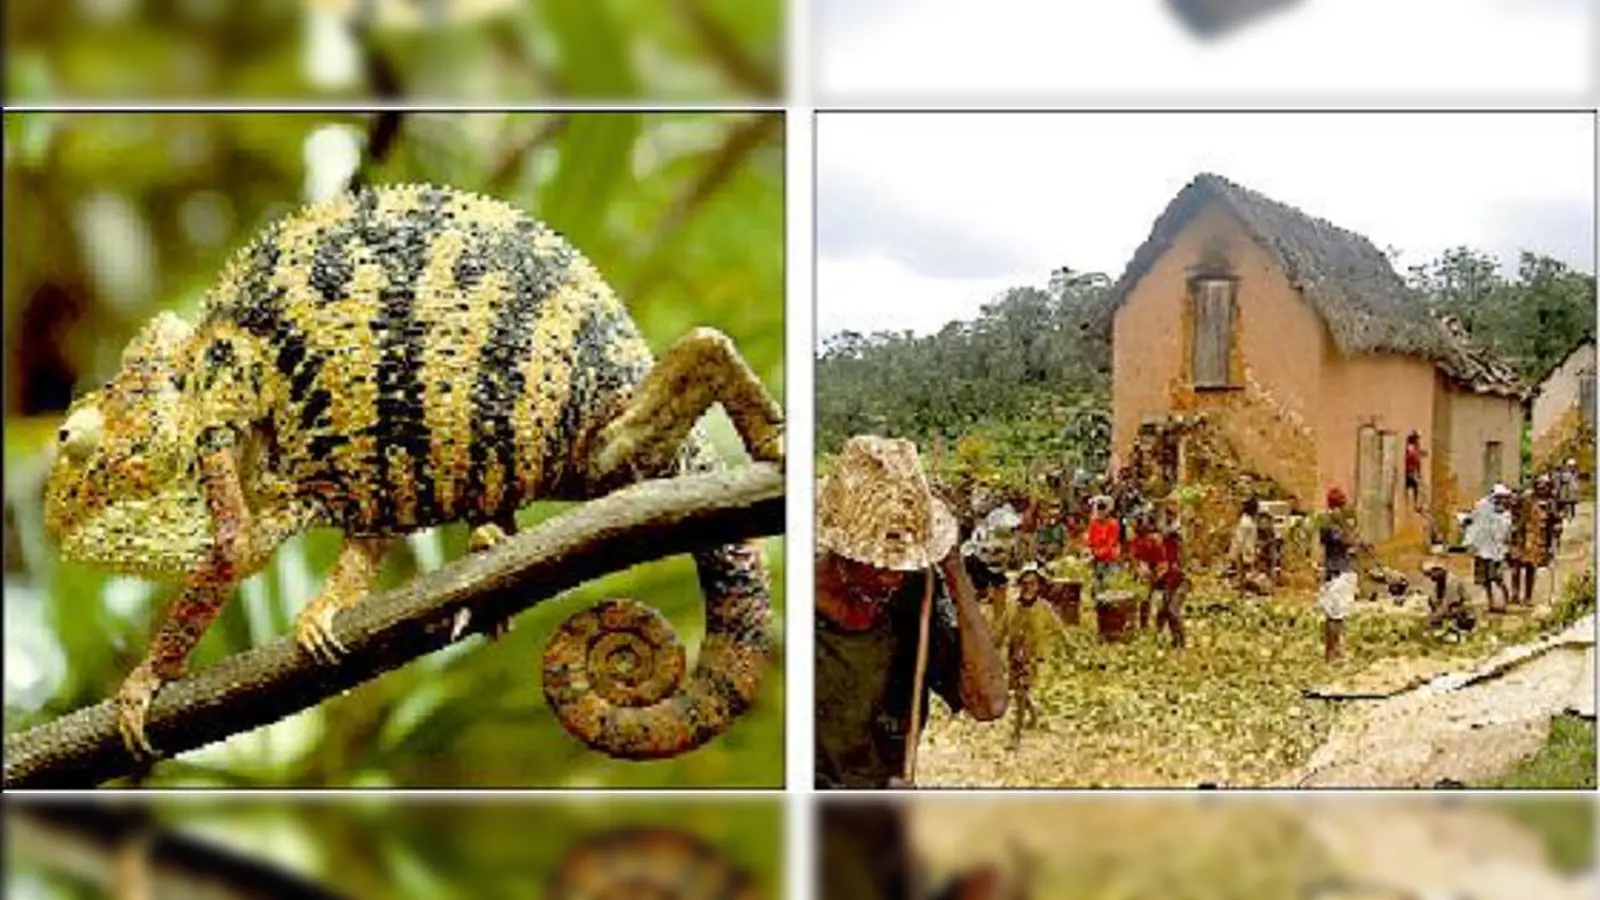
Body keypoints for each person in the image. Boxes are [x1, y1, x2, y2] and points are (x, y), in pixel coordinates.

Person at [816, 436, 1008, 789]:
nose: (891, 576)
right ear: (841, 550)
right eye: (876, 563)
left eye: (903, 562)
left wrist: (954, 570)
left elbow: (989, 703)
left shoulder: (915, 594)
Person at [996, 563, 1069, 751]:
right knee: (1018, 691)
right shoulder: (1012, 606)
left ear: (1038, 586)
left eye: (1032, 583)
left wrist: (1070, 648)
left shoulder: (1044, 608)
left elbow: (1060, 630)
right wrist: (992, 650)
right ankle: (1034, 715)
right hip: (1014, 656)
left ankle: (1016, 735)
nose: (1028, 587)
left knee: (1020, 694)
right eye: (1025, 583)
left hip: (1032, 657)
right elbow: (1001, 631)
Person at [1132, 505, 1188, 649]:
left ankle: (1180, 643)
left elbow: (1172, 564)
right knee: (1159, 609)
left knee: (1171, 611)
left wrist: (1156, 576)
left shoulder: (1170, 539)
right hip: (1164, 576)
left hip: (1175, 578)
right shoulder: (1152, 540)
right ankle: (1159, 636)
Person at [1317, 487, 1362, 663]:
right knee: (1335, 615)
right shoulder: (1331, 525)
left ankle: (1334, 651)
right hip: (1338, 572)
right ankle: (1333, 653)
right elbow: (1348, 541)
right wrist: (1350, 530)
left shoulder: (1331, 524)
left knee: (1335, 615)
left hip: (1336, 571)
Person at [1465, 484, 1513, 613]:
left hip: (1496, 551)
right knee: (1485, 580)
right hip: (1482, 550)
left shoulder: (1505, 515)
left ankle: (1504, 601)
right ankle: (1491, 603)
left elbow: (1505, 534)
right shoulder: (1482, 507)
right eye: (1500, 497)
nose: (1502, 500)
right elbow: (1473, 522)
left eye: (1504, 498)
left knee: (1497, 578)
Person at [1420, 558, 1476, 638]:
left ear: (1439, 571)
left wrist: (1434, 617)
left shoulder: (1452, 582)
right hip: (1447, 612)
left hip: (1462, 615)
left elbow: (1449, 604)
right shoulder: (1437, 583)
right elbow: (1433, 601)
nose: (1431, 578)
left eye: (1431, 574)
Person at [1085, 495, 1121, 602]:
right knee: (1096, 587)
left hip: (1109, 559)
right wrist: (1090, 552)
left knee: (1108, 585)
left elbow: (1111, 543)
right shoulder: (1093, 523)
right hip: (1096, 560)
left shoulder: (1113, 524)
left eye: (1102, 509)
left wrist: (1097, 553)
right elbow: (1090, 541)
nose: (1100, 512)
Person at [1227, 498, 1260, 591]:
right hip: (1243, 551)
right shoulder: (1246, 523)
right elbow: (1242, 540)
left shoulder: (1247, 520)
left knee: (1242, 573)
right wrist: (1246, 552)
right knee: (1242, 572)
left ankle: (1241, 590)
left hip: (1244, 550)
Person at [1403, 431, 1426, 511]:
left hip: (1411, 472)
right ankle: (1416, 505)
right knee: (1420, 489)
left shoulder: (1411, 447)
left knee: (1415, 489)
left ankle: (1414, 505)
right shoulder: (1412, 448)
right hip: (1411, 472)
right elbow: (1413, 458)